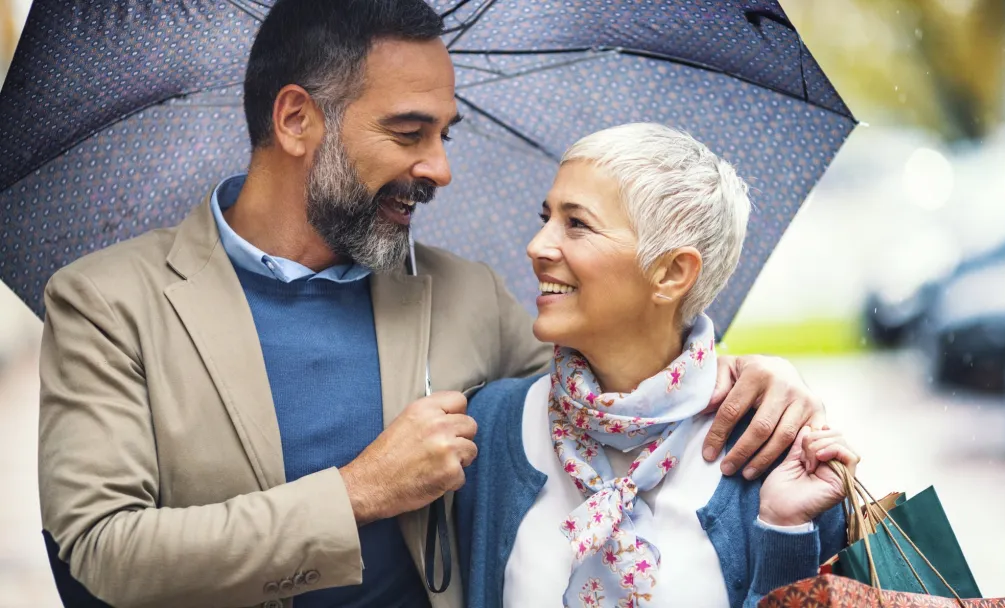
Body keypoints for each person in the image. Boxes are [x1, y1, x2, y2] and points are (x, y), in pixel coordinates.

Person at [38, 2, 829, 607]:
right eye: (410, 132)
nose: (439, 168)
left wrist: (748, 376)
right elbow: (102, 552)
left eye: (445, 133)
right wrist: (358, 493)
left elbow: (616, 395)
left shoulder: (465, 297)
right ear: (295, 119)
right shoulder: (107, 304)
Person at [456, 123, 858, 608]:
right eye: (546, 217)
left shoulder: (777, 455)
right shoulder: (487, 430)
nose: (538, 245)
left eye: (576, 223)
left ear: (671, 273)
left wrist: (785, 531)